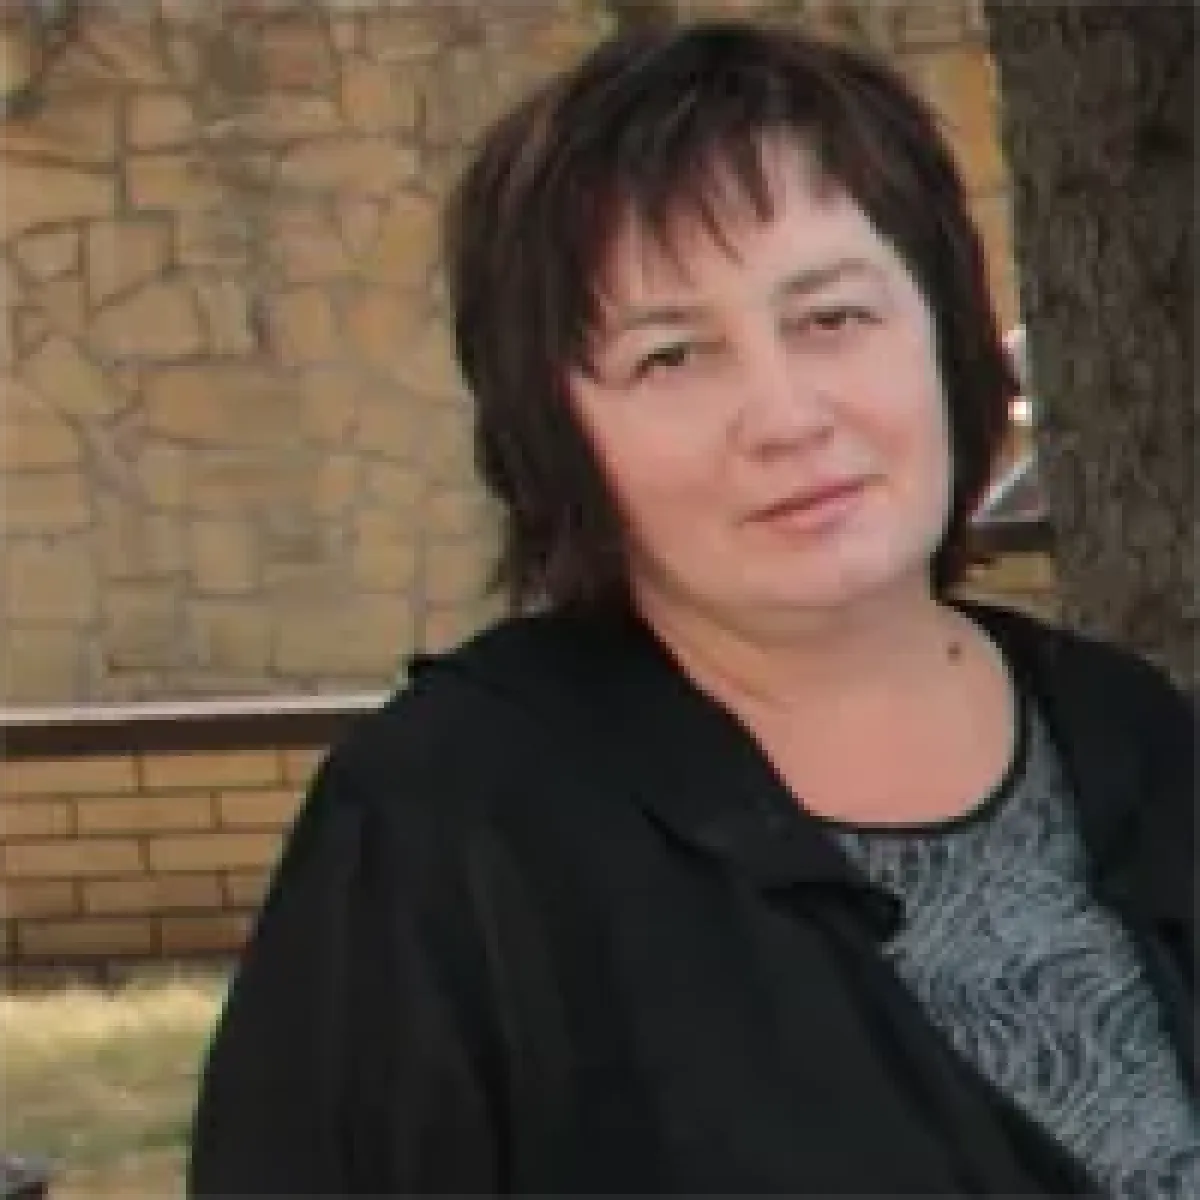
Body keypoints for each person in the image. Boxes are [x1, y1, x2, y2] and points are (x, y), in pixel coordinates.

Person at [188, 20, 1200, 1200]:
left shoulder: (1131, 735)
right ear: (558, 430)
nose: (786, 416)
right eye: (671, 357)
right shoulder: (450, 826)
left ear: (946, 333)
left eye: (832, 318)